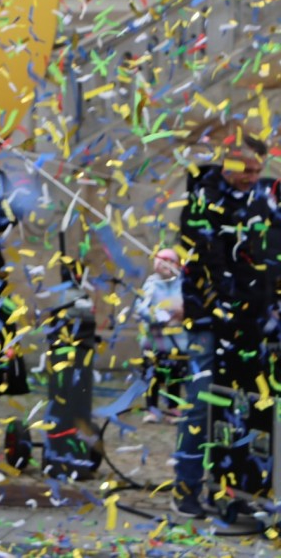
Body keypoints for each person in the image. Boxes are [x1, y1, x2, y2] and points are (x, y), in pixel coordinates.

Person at [173, 132, 277, 518]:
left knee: (246, 405)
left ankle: (237, 489)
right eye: (245, 169)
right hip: (209, 318)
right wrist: (225, 307)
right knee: (201, 403)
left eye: (257, 169)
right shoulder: (203, 199)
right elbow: (206, 262)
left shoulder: (263, 198)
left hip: (253, 320)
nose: (252, 177)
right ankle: (186, 488)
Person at [134, 248, 186, 424]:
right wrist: (157, 315)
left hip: (176, 340)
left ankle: (173, 407)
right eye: (164, 261)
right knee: (153, 375)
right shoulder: (152, 284)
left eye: (172, 262)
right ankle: (152, 408)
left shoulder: (181, 284)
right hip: (154, 340)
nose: (168, 265)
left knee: (174, 375)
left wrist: (182, 312)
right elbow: (141, 307)